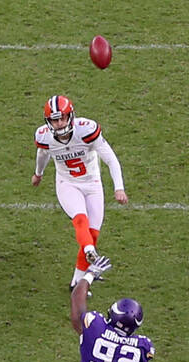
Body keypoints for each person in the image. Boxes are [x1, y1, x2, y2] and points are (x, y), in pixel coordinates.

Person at [32, 95, 128, 289]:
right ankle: (90, 252)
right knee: (80, 220)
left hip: (92, 183)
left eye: (62, 118)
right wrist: (38, 174)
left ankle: (77, 281)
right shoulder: (44, 136)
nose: (59, 124)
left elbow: (110, 158)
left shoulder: (86, 130)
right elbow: (42, 154)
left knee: (92, 233)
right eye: (54, 119)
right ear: (48, 121)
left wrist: (119, 187)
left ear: (70, 116)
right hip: (67, 183)